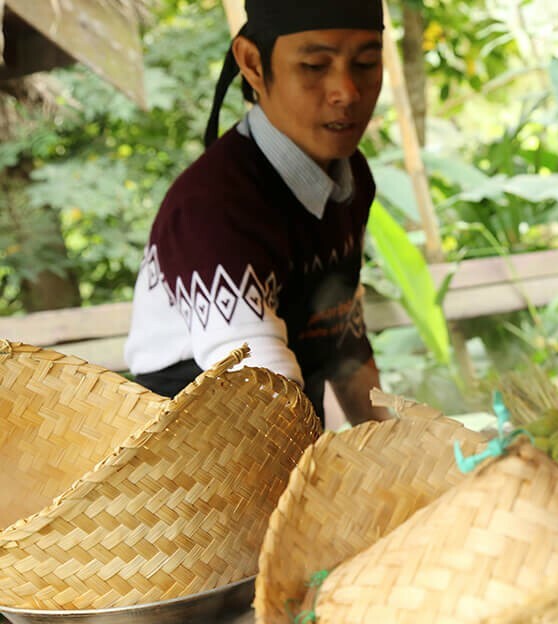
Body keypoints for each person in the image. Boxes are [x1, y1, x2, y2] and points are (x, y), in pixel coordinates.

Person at [123, 0, 390, 426]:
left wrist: (400, 453)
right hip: (199, 456)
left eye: (366, 62)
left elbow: (340, 333)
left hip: (295, 434)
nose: (346, 91)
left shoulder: (350, 176)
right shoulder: (213, 206)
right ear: (252, 64)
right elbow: (265, 401)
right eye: (315, 65)